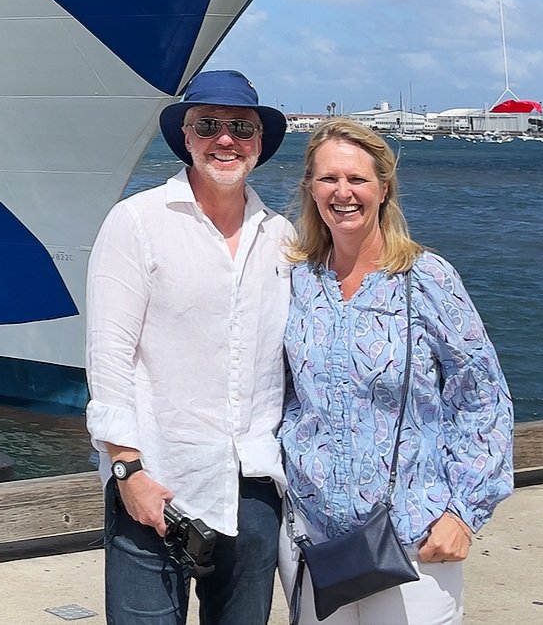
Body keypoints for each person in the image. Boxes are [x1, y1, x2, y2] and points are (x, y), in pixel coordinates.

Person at [278, 121, 513, 625]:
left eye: (358, 179)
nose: (343, 193)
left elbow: (483, 398)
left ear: (384, 189)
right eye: (328, 179)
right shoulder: (297, 279)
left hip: (412, 533)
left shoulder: (426, 279)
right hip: (312, 531)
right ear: (310, 189)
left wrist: (463, 514)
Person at [86, 69, 294, 625]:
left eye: (240, 128)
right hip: (158, 480)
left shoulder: (283, 237)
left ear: (259, 143)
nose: (225, 139)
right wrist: (127, 471)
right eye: (209, 125)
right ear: (186, 135)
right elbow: (109, 358)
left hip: (252, 488)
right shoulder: (137, 222)